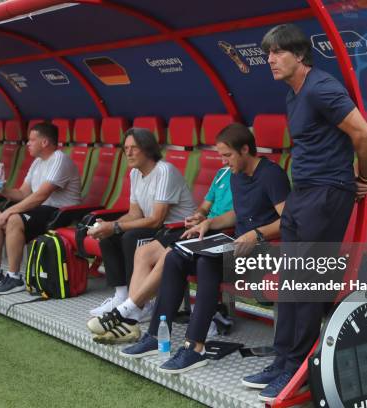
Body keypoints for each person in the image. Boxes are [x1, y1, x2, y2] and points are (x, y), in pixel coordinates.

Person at [242, 24, 367, 403]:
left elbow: (364, 135)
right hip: (302, 193)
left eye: (277, 52)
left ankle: (297, 367)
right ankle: (283, 359)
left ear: (299, 55)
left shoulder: (321, 87)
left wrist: (363, 176)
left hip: (328, 193)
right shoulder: (294, 93)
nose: (269, 59)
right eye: (267, 52)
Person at [120, 123, 290, 374]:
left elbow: (286, 219)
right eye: (221, 156)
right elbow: (237, 214)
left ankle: (194, 347)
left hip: (265, 251)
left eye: (227, 155)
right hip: (238, 248)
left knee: (206, 262)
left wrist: (256, 234)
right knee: (177, 257)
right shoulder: (235, 175)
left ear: (245, 149)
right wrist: (208, 223)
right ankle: (155, 336)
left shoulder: (272, 174)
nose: (223, 161)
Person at [87, 165, 233, 344]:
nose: (224, 160)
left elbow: (239, 215)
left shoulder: (250, 177)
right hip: (201, 228)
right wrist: (200, 216)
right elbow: (205, 207)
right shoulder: (222, 173)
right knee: (144, 252)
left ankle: (126, 312)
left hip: (222, 234)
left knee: (170, 253)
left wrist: (209, 223)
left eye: (227, 154)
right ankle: (132, 318)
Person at [87, 127, 197, 317]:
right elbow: (134, 214)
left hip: (177, 230)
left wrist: (115, 226)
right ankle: (121, 296)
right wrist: (107, 226)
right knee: (110, 236)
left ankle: (140, 301)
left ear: (147, 149)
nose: (128, 153)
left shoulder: (164, 171)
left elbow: (156, 220)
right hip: (157, 229)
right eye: (125, 148)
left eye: (134, 148)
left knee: (130, 237)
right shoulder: (135, 173)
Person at [0, 122, 82, 295]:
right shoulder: (37, 162)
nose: (28, 143)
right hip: (40, 210)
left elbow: (41, 195)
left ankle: (14, 278)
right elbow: (23, 193)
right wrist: (2, 190)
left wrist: (9, 211)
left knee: (12, 218)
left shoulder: (59, 159)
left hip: (60, 213)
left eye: (32, 140)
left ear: (44, 142)